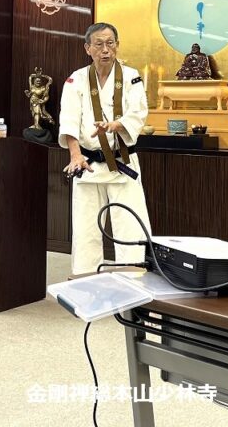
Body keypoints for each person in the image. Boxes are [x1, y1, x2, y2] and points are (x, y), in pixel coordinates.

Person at [58, 22, 152, 275]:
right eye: (98, 44)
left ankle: (133, 278)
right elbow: (69, 119)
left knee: (130, 224)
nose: (105, 50)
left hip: (122, 162)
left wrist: (115, 125)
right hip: (87, 164)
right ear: (87, 48)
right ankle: (84, 278)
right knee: (85, 226)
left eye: (110, 43)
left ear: (117, 46)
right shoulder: (75, 79)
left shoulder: (131, 76)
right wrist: (75, 155)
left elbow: (138, 111)